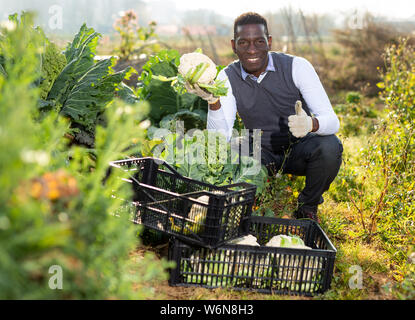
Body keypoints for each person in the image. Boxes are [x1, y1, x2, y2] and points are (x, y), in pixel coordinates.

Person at [186, 12, 343, 222]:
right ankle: (252, 201)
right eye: (244, 43)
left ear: (269, 42)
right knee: (230, 153)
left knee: (330, 146)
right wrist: (213, 103)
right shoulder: (227, 77)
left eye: (259, 42)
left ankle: (307, 206)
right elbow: (219, 138)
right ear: (234, 45)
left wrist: (310, 124)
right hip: (259, 151)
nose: (252, 50)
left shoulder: (297, 67)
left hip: (298, 149)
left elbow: (332, 121)